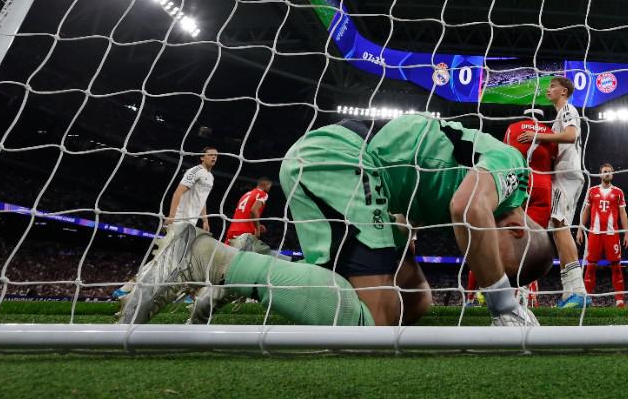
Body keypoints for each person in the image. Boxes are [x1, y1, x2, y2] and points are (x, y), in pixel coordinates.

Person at [118, 114, 553, 328]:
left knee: (416, 306)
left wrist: (402, 241)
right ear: (516, 230)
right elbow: (467, 209)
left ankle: (251, 258)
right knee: (375, 323)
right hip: (342, 158)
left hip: (363, 178)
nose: (478, 266)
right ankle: (201, 256)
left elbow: (422, 198)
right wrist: (503, 304)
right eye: (494, 262)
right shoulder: (511, 169)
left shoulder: (479, 184)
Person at [465, 113, 557, 306]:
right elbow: (555, 159)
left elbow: (504, 151)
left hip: (517, 180)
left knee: (487, 239)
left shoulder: (513, 128)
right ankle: (530, 299)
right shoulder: (549, 131)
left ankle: (472, 296)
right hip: (543, 184)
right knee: (532, 248)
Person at [517, 76, 589, 308]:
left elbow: (571, 135)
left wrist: (538, 135)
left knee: (560, 227)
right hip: (563, 174)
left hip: (567, 174)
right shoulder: (559, 114)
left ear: (564, 91)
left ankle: (577, 292)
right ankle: (571, 291)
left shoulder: (568, 109)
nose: (549, 90)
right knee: (558, 227)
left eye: (553, 86)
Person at [114, 147, 218, 303]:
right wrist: (171, 216)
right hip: (181, 220)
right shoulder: (195, 171)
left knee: (177, 259)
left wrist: (205, 220)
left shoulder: (210, 177)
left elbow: (202, 199)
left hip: (191, 222)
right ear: (202, 157)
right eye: (210, 155)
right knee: (170, 258)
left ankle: (179, 292)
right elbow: (178, 192)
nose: (214, 157)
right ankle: (126, 289)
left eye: (216, 155)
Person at [188, 178, 274, 323]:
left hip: (232, 231)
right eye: (270, 186)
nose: (270, 189)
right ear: (265, 185)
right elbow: (254, 211)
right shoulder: (263, 194)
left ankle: (199, 295)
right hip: (245, 236)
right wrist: (257, 227)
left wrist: (258, 225)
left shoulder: (246, 194)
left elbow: (244, 213)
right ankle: (205, 308)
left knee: (222, 272)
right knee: (240, 272)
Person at [578, 163, 628, 307]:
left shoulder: (618, 192)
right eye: (604, 171)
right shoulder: (592, 191)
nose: (607, 174)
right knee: (590, 267)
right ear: (600, 174)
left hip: (612, 234)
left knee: (616, 266)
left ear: (612, 174)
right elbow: (586, 211)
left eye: (609, 172)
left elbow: (623, 213)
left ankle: (619, 301)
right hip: (594, 233)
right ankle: (587, 300)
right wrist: (580, 229)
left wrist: (626, 234)